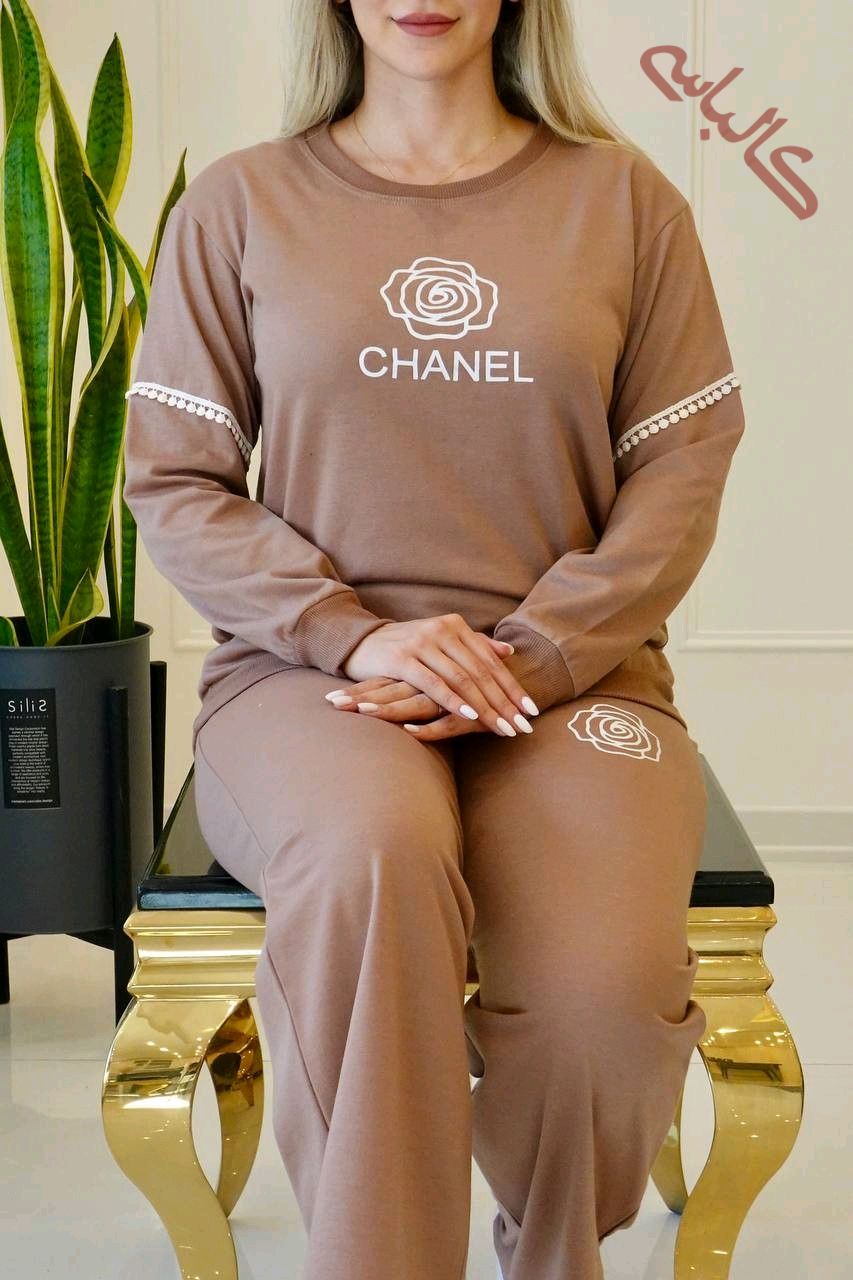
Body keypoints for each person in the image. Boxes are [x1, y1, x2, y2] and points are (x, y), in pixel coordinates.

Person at [122, 2, 746, 1277]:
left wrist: (533, 649)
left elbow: (682, 470)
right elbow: (174, 481)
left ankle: (555, 1256)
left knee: (600, 991)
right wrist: (350, 635)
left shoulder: (625, 203)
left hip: (570, 680)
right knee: (373, 853)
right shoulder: (240, 203)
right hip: (307, 680)